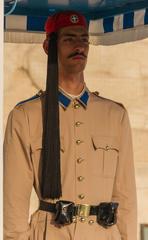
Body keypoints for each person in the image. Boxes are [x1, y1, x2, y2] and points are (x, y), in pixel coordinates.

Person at [4, 10, 137, 240]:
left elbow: (125, 198)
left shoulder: (115, 115)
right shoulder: (26, 116)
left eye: (84, 39)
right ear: (49, 47)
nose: (79, 46)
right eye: (69, 39)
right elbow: (13, 205)